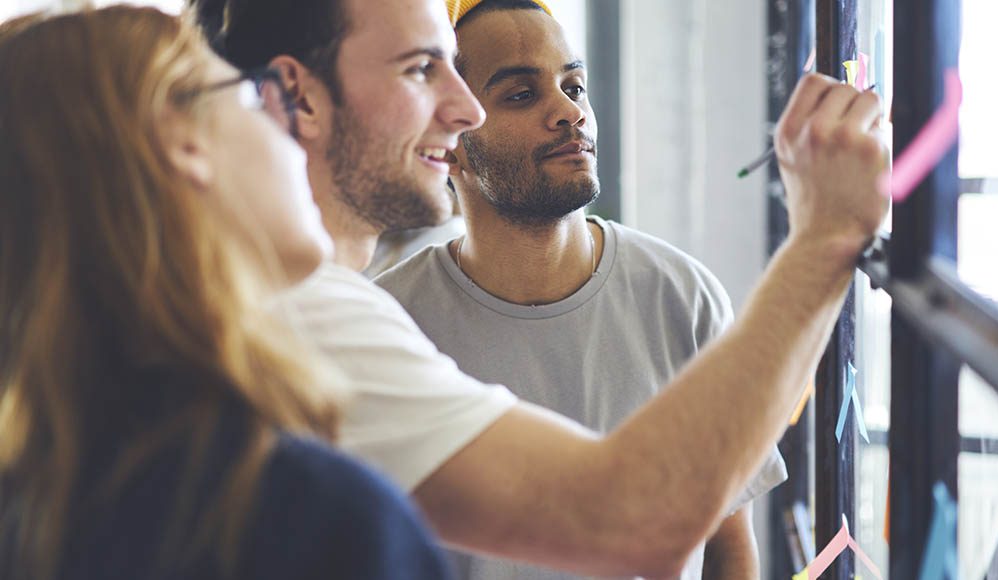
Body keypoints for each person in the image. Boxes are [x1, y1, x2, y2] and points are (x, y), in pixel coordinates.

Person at [190, 0, 888, 576]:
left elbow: (714, 536)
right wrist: (825, 237)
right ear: (299, 97)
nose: (462, 109)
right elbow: (632, 518)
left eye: (574, 87)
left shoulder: (304, 307)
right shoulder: (312, 324)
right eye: (420, 69)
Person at [0, 7, 450, 580]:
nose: (285, 128)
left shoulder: (34, 503)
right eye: (254, 96)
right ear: (183, 142)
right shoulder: (311, 519)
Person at [375, 1, 785, 578]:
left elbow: (729, 543)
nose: (570, 112)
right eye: (521, 94)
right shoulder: (389, 323)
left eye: (575, 85)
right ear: (451, 140)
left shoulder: (682, 297)